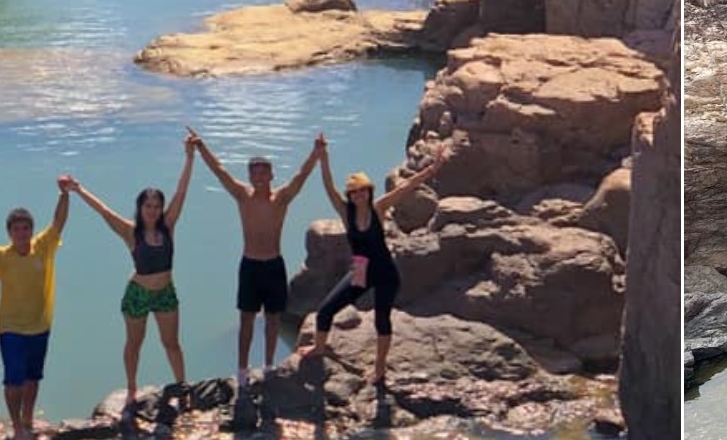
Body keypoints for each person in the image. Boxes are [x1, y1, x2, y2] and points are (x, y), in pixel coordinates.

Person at [301, 135, 449, 386]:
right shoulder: (345, 211)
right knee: (326, 310)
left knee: (382, 319)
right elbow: (328, 186)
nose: (358, 195)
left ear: (369, 192)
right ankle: (319, 347)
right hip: (360, 270)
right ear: (350, 195)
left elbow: (406, 187)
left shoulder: (378, 209)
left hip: (384, 271)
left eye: (362, 190)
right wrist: (322, 157)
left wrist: (432, 170)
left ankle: (380, 368)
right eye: (354, 192)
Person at [66, 138, 197, 407]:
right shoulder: (130, 232)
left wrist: (189, 158)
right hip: (137, 293)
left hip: (165, 292)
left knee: (172, 342)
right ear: (140, 208)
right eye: (148, 206)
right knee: (134, 344)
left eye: (156, 206)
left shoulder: (168, 227)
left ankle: (183, 387)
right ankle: (131, 388)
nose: (153, 210)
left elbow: (181, 194)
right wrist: (78, 190)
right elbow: (103, 211)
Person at [191, 127, 320, 388]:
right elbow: (219, 171)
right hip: (250, 266)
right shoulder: (242, 195)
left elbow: (301, 176)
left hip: (274, 264)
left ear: (272, 175)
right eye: (254, 172)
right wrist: (201, 146)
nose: (259, 177)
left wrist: (315, 153)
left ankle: (270, 364)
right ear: (249, 176)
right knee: (246, 320)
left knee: (273, 320)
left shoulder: (281, 198)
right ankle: (242, 368)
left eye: (264, 172)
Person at [0, 178, 70, 440]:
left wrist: (64, 194)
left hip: (40, 326)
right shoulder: (2, 256)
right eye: (17, 229)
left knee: (33, 379)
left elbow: (59, 221)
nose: (22, 233)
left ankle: (29, 419)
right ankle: (17, 426)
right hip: (10, 328)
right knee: (14, 381)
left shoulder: (43, 246)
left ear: (31, 231)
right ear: (9, 232)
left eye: (26, 228)